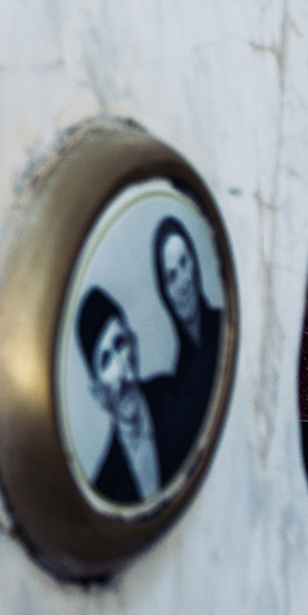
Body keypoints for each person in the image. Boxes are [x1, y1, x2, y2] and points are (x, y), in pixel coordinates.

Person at [74, 288, 167, 505]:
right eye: (105, 360)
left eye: (119, 343)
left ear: (133, 343)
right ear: (97, 390)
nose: (120, 367)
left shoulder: (173, 390)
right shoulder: (105, 488)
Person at [149, 215, 226, 468]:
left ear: (195, 263)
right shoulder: (178, 379)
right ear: (165, 292)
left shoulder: (227, 326)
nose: (182, 281)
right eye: (171, 276)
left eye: (184, 262)